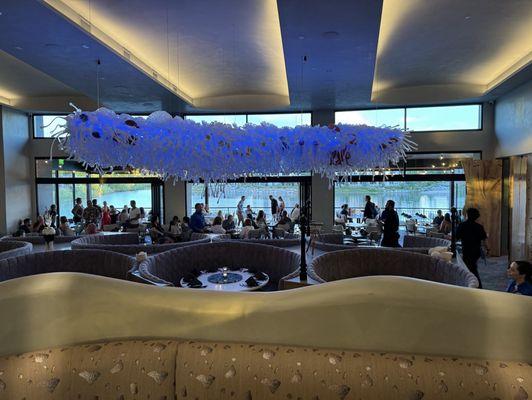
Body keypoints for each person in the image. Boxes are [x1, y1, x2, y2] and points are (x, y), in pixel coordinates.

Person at [456, 207, 488, 288]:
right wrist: (487, 249)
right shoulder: (479, 226)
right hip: (476, 251)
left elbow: (456, 237)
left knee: (470, 268)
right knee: (472, 267)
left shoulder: (462, 225)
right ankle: (474, 285)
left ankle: (477, 286)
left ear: (467, 215)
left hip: (466, 249)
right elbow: (483, 240)